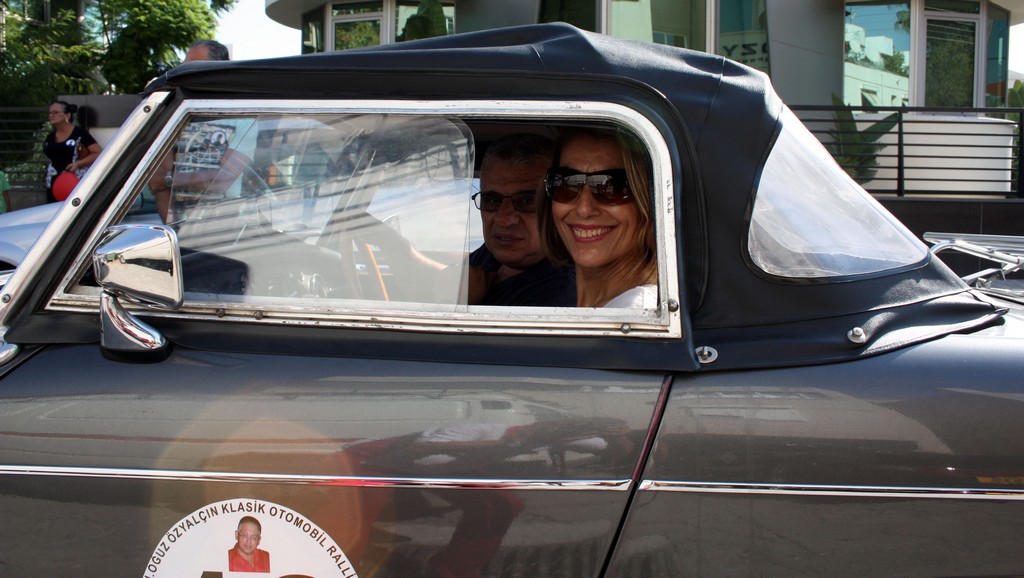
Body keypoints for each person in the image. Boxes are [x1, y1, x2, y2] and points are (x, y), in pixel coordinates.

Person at [538, 127, 657, 308]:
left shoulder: (636, 310)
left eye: (612, 187)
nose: (584, 209)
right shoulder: (567, 303)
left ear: (647, 203)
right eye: (567, 183)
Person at [468, 133, 575, 306]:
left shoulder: (558, 295)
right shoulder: (496, 251)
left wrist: (459, 304)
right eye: (492, 200)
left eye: (527, 201)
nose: (503, 220)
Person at [42, 100, 102, 203]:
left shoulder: (79, 134)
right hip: (54, 183)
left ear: (67, 115)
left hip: (73, 181)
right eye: (50, 113)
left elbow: (98, 153)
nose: (51, 115)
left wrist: (78, 164)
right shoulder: (50, 137)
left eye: (56, 112)